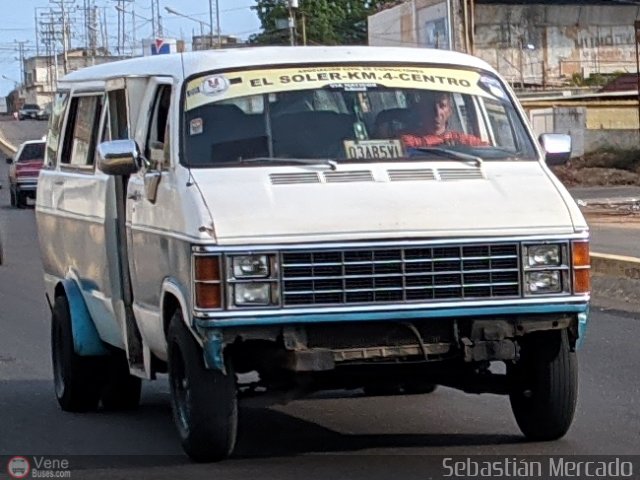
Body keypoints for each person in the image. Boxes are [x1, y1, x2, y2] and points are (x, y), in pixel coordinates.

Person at [400, 91, 487, 148]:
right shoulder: (408, 140)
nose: (437, 113)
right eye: (430, 106)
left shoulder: (461, 139)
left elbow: (487, 150)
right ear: (421, 109)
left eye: (442, 106)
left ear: (450, 110)